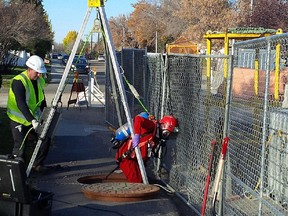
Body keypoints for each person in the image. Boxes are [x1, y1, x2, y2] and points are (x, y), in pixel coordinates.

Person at [7, 55, 49, 172]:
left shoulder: (39, 80)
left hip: (32, 119)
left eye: (40, 73)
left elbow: (42, 100)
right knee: (20, 147)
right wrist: (32, 120)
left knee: (45, 139)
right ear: (29, 69)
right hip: (18, 119)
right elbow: (21, 104)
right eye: (37, 72)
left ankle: (37, 165)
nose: (39, 75)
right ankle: (18, 174)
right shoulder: (18, 81)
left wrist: (45, 116)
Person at [114, 113, 179, 183]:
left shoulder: (156, 136)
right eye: (166, 133)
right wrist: (137, 134)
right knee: (137, 181)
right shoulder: (152, 126)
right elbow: (138, 119)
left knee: (142, 180)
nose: (166, 137)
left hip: (136, 160)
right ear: (163, 126)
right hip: (127, 158)